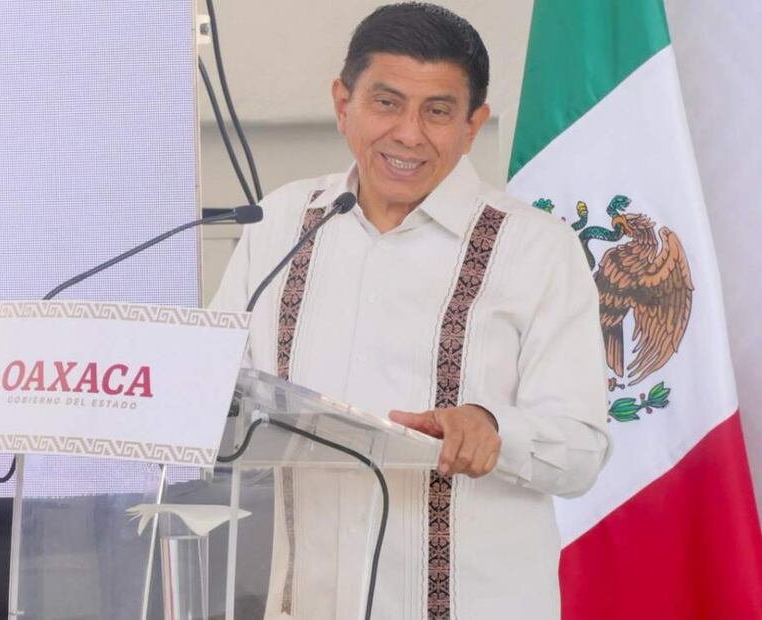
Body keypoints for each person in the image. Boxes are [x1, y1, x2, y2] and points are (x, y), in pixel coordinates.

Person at [211, 3, 610, 619]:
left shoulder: (536, 249)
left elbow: (581, 452)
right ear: (343, 104)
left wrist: (493, 429)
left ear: (473, 125)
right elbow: (212, 390)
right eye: (386, 103)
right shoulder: (281, 224)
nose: (408, 134)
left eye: (437, 111)